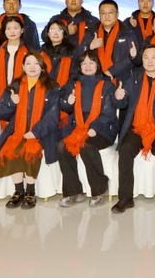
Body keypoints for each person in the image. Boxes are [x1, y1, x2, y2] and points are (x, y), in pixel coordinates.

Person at [111, 45, 155, 214]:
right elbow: (122, 103)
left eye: (154, 57)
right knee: (125, 149)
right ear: (142, 61)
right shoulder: (134, 79)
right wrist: (118, 97)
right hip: (137, 128)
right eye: (146, 57)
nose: (149, 61)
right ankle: (125, 198)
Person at [0, 51, 60, 209]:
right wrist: (11, 102)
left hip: (42, 133)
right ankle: (18, 191)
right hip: (16, 131)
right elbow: (1, 113)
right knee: (10, 149)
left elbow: (53, 117)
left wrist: (35, 132)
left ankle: (30, 192)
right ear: (23, 66)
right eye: (28, 63)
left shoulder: (52, 87)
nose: (32, 67)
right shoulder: (14, 86)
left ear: (42, 67)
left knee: (30, 150)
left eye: (36, 63)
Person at [57, 50, 121, 208]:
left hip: (103, 129)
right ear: (79, 66)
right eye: (83, 63)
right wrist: (68, 101)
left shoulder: (107, 85)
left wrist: (95, 127)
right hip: (78, 128)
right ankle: (74, 191)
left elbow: (109, 113)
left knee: (86, 145)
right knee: (61, 147)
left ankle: (100, 189)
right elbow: (63, 105)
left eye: (91, 62)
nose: (87, 66)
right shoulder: (73, 84)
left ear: (97, 65)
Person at [80, 0, 136, 84]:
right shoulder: (91, 32)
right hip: (94, 80)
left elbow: (132, 58)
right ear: (99, 15)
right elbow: (78, 54)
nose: (107, 16)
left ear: (117, 14)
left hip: (122, 80)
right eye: (103, 13)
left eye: (110, 13)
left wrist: (112, 71)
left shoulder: (127, 32)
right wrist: (89, 47)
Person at [0, 17, 29, 126]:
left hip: (22, 96)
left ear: (22, 30)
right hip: (0, 96)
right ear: (4, 31)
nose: (12, 31)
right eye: (8, 28)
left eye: (16, 28)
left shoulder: (29, 52)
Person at [41, 21, 76, 129]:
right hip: (42, 96)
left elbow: (75, 76)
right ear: (48, 33)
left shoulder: (73, 52)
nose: (55, 33)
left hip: (63, 95)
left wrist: (63, 92)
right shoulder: (41, 52)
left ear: (64, 33)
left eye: (59, 30)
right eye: (52, 30)